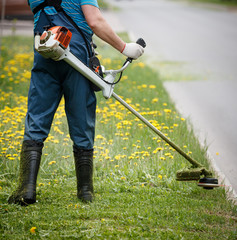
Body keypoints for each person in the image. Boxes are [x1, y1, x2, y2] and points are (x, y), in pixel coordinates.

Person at [8, 0, 144, 206]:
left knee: (37, 116)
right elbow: (95, 21)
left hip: (46, 48)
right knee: (81, 116)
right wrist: (125, 47)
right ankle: (85, 191)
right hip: (76, 52)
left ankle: (26, 190)